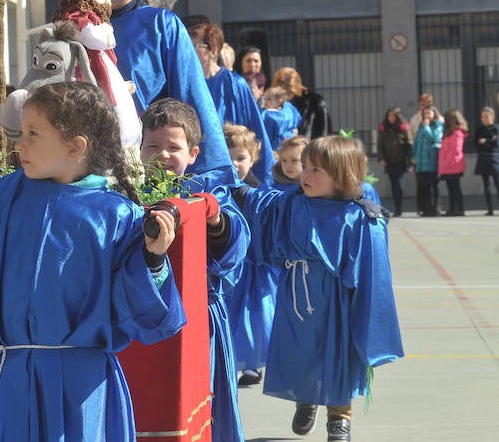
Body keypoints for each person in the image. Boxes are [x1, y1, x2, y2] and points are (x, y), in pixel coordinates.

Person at [0, 82, 186, 441]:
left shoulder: (116, 215)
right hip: (12, 380)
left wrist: (153, 258)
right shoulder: (0, 201)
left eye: (33, 134)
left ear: (75, 146)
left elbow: (141, 314)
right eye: (21, 132)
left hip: (80, 387)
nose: (19, 144)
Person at [231, 135, 404, 442]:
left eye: (316, 171)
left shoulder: (358, 217)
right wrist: (236, 188)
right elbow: (262, 206)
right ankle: (306, 398)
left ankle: (339, 418)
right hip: (295, 295)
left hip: (335, 303)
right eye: (306, 167)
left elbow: (371, 272)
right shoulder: (294, 203)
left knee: (337, 357)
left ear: (341, 176)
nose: (305, 175)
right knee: (300, 352)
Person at [81, 0, 234, 185]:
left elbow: (192, 97)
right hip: (84, 171)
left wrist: (211, 179)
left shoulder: (162, 25)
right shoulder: (71, 28)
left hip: (146, 171)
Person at [140, 98, 250, 442]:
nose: (162, 155)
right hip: (143, 314)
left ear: (193, 154)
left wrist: (214, 219)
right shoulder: (128, 192)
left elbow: (237, 244)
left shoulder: (206, 194)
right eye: (152, 145)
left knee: (201, 403)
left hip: (198, 316)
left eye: (173, 146)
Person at [52, 0, 142, 154]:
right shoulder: (76, 15)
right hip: (85, 79)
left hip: (100, 78)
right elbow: (98, 39)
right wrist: (108, 31)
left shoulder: (96, 21)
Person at [222, 123, 277, 388]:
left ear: (253, 158)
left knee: (254, 317)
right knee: (229, 315)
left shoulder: (260, 192)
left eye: (241, 158)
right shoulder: (217, 189)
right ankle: (229, 362)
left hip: (253, 266)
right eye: (228, 157)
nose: (234, 164)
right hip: (226, 266)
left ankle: (252, 363)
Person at [188, 20, 274, 184]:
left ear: (213, 50)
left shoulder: (235, 84)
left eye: (195, 46)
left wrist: (265, 180)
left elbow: (256, 130)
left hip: (234, 170)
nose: (188, 52)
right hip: (198, 172)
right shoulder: (188, 83)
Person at [270, 67, 332, 140]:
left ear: (296, 86)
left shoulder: (315, 102)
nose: (286, 96)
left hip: (310, 147)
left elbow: (325, 130)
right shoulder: (271, 103)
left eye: (289, 92)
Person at [377, 107, 414, 216]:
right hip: (389, 161)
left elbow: (409, 145)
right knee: (393, 184)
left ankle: (399, 208)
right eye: (389, 116)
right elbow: (380, 145)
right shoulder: (384, 128)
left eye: (393, 116)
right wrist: (381, 157)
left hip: (400, 160)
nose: (391, 118)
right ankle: (397, 207)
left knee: (398, 184)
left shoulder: (404, 128)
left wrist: (410, 162)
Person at [412, 105, 443, 216]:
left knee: (432, 186)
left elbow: (435, 138)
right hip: (421, 162)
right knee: (423, 186)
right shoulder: (421, 125)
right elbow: (417, 142)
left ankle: (434, 208)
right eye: (424, 114)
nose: (426, 116)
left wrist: (426, 127)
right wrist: (414, 155)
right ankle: (425, 209)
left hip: (431, 161)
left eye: (429, 113)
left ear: (434, 114)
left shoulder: (437, 125)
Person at [438, 109, 469, 216]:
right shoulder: (449, 132)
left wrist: (446, 163)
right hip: (448, 166)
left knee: (455, 188)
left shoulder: (457, 132)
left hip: (453, 165)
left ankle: (459, 209)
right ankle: (452, 208)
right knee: (451, 188)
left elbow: (456, 149)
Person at [473, 106, 499, 215]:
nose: (484, 119)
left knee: (497, 183)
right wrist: (486, 142)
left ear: (492, 117)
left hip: (494, 157)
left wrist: (485, 141)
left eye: (487, 116)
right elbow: (476, 143)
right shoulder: (479, 129)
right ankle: (490, 209)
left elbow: (496, 143)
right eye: (482, 117)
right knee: (486, 184)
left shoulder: (496, 128)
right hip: (483, 157)